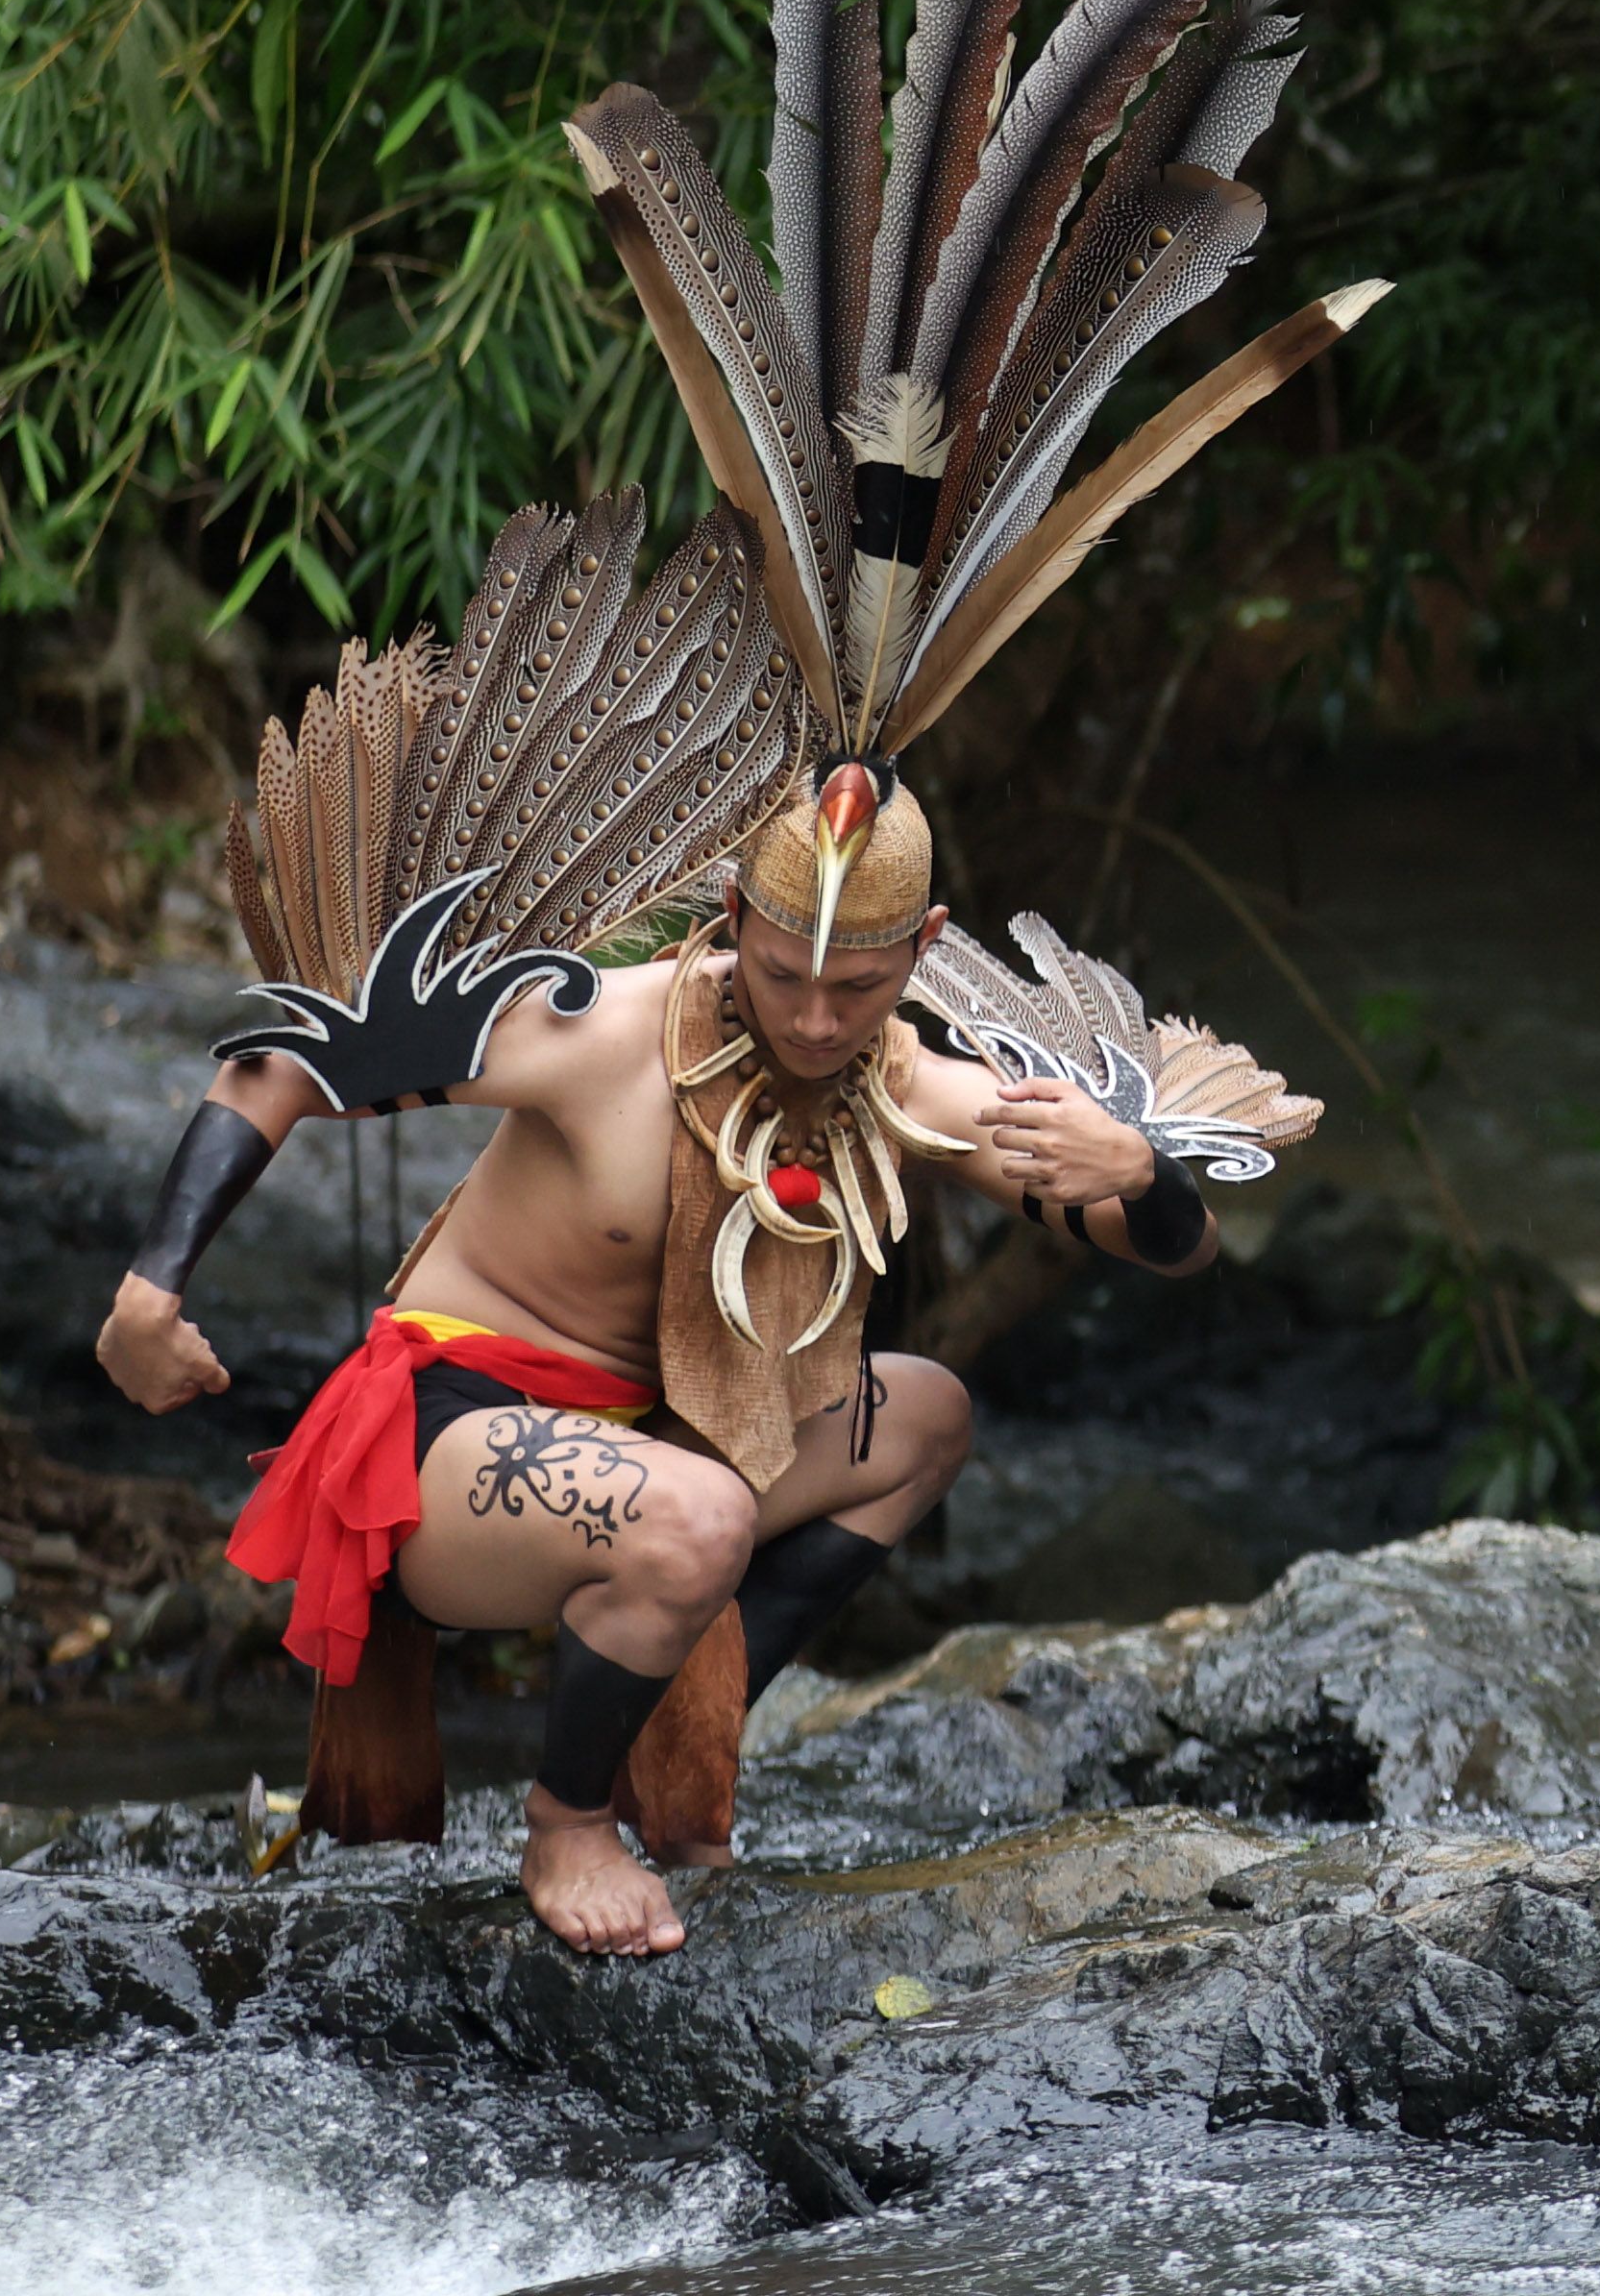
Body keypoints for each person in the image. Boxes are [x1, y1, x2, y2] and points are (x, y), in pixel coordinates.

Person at [102, 762, 1276, 1955]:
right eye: (782, 975)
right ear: (730, 914)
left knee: (924, 1416)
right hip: (442, 1443)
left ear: (922, 948)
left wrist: (1140, 1169)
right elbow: (289, 1057)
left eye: (859, 986)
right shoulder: (601, 1028)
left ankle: (664, 1725)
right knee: (701, 1515)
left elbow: (1174, 1248)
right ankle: (567, 1824)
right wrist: (154, 1283)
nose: (818, 1020)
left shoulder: (903, 1083)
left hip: (653, 1452)